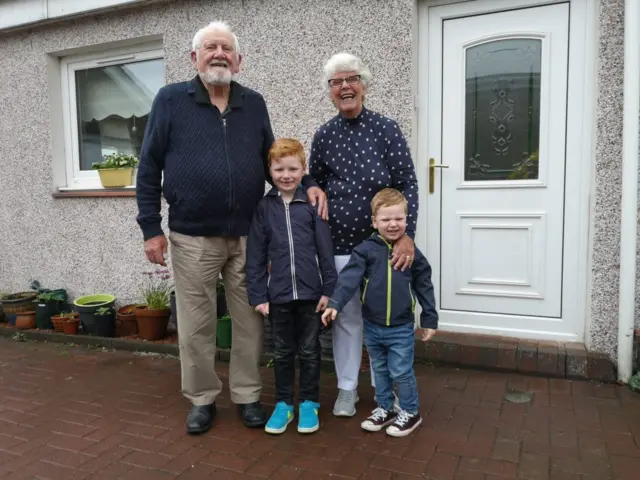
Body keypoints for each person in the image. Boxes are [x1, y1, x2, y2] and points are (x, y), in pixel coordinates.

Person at [135, 21, 327, 435]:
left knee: (250, 321)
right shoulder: (170, 100)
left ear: (238, 60)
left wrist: (308, 184)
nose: (219, 53)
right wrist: (151, 227)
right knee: (196, 324)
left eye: (226, 48)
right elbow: (148, 166)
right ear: (194, 58)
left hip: (249, 235)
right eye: (210, 47)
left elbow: (273, 160)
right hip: (191, 235)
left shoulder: (253, 104)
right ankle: (202, 399)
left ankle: (247, 395)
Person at [310, 52, 419, 417]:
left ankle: (384, 390)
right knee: (346, 317)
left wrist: (407, 236)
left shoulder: (386, 129)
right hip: (339, 243)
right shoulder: (324, 135)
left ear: (364, 85)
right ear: (330, 91)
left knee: (382, 317)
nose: (345, 87)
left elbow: (407, 183)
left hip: (382, 247)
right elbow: (316, 183)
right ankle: (346, 389)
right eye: (337, 82)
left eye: (351, 79)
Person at [321, 188, 437, 437]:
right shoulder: (365, 250)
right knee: (381, 370)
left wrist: (429, 318)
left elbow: (424, 285)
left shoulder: (410, 253)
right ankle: (384, 407)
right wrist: (334, 304)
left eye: (398, 218)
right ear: (374, 222)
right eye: (386, 219)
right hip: (372, 327)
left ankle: (410, 411)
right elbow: (348, 280)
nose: (393, 224)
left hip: (401, 327)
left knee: (401, 371)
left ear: (407, 219)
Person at [246, 138, 338, 435]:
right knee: (283, 352)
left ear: (303, 170)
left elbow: (325, 249)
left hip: (311, 294)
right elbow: (256, 254)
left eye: (292, 169)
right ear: (270, 170)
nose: (286, 175)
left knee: (310, 352)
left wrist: (329, 289)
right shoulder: (264, 207)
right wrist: (259, 295)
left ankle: (309, 402)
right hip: (279, 296)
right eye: (279, 169)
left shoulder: (312, 205)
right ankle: (284, 404)